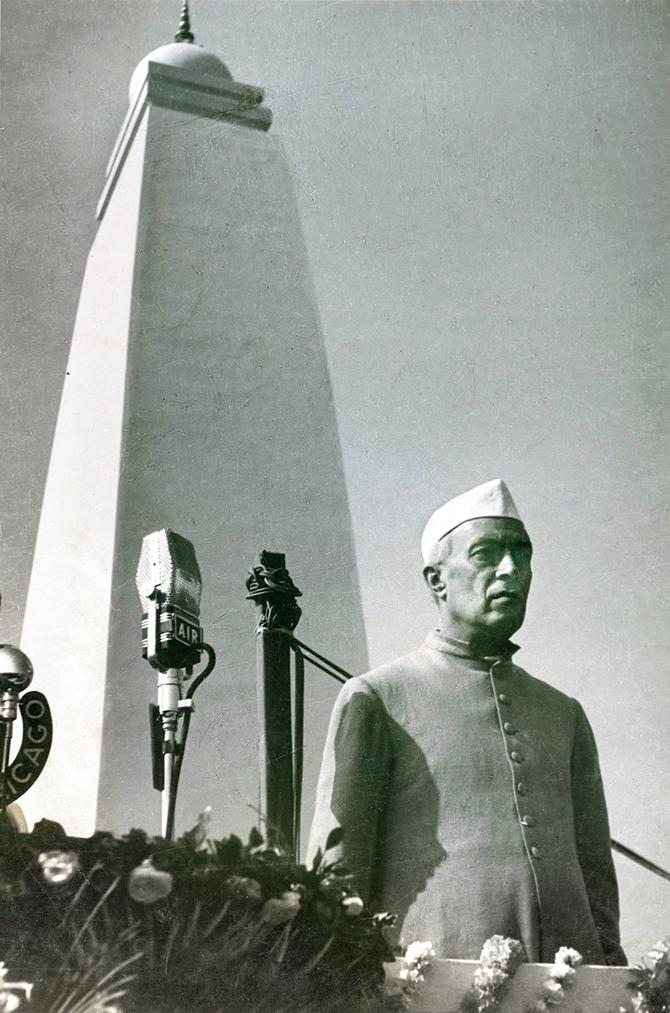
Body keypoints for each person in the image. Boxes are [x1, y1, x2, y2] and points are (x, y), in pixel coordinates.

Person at [307, 479, 625, 965]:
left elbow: (596, 873)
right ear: (437, 580)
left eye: (523, 555)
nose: (512, 570)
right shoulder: (378, 698)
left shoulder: (564, 714)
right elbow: (338, 871)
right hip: (433, 982)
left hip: (575, 985)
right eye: (486, 554)